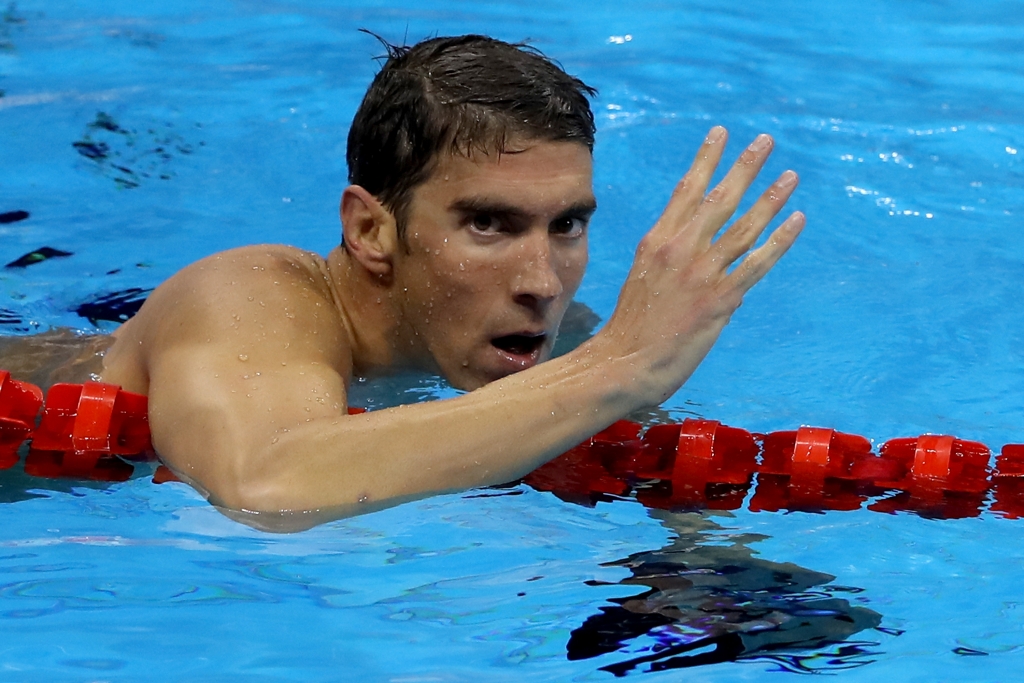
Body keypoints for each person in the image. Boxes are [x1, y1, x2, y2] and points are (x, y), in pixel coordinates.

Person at [26, 35, 805, 524]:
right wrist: (617, 368)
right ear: (370, 230)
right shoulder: (246, 296)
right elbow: (262, 487)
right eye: (489, 224)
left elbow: (667, 481)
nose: (541, 280)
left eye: (567, 224)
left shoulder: (561, 331)